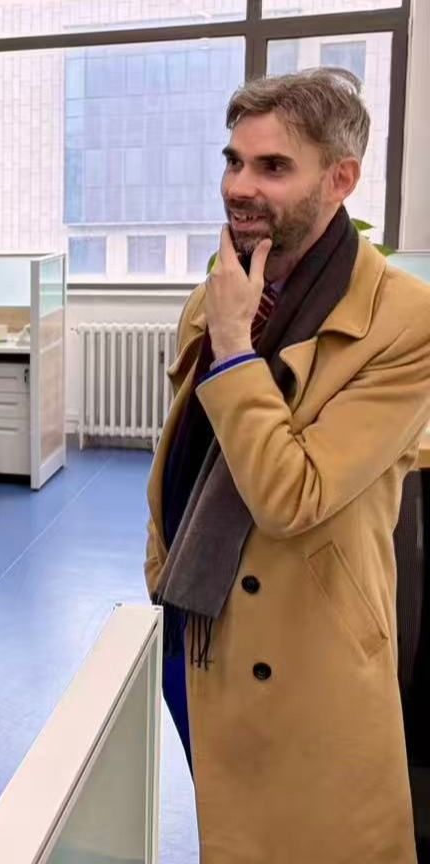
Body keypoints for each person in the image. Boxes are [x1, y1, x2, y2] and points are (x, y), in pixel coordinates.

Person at [145, 68, 430, 863]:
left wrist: (236, 350)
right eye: (234, 161)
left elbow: (292, 495)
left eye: (273, 167)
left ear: (341, 179)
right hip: (197, 623)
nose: (240, 186)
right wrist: (161, 567)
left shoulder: (403, 321)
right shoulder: (224, 289)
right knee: (231, 826)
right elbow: (192, 451)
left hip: (307, 650)